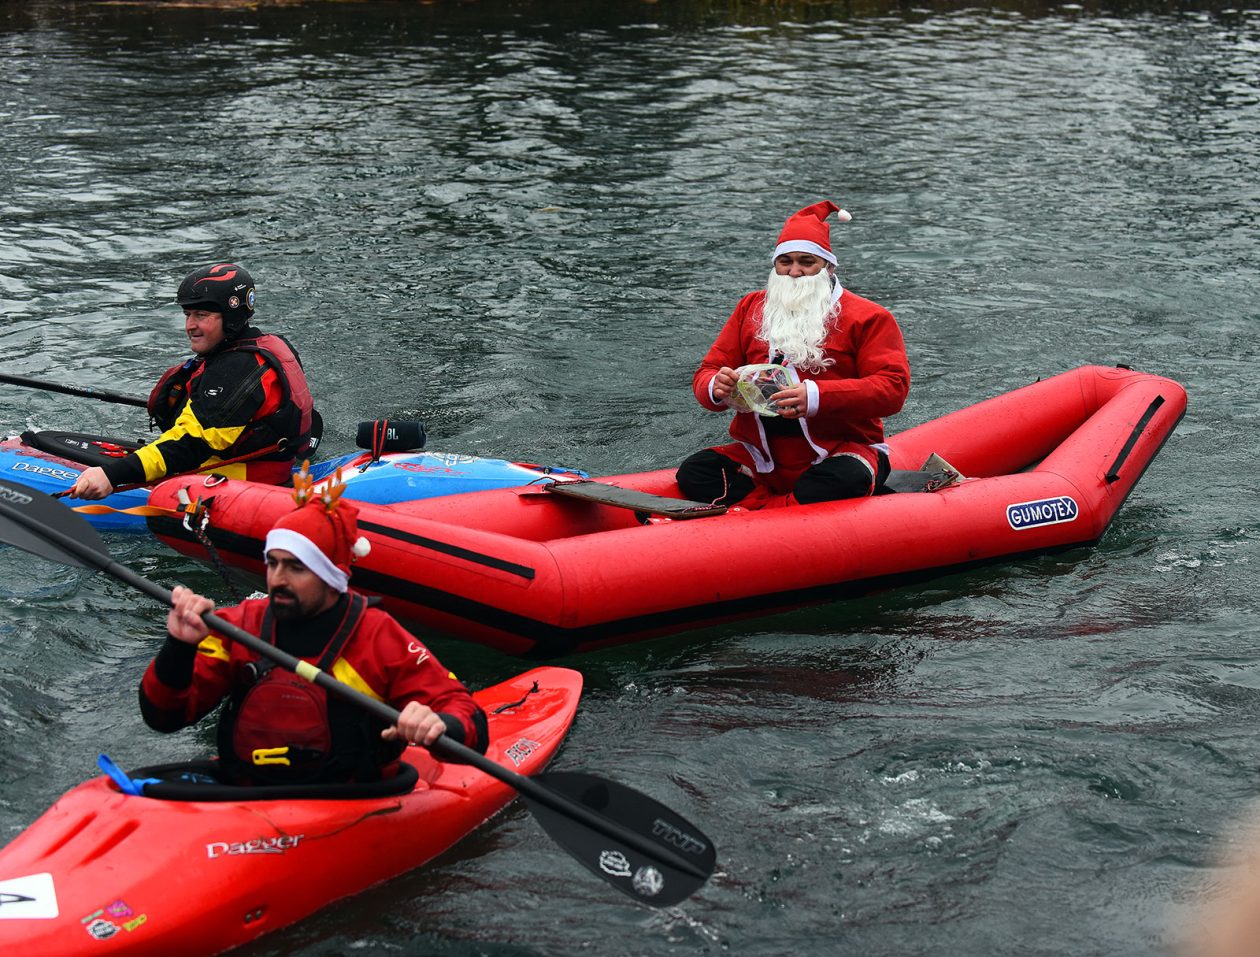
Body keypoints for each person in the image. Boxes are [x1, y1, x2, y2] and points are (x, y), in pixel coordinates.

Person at [138, 478, 488, 785]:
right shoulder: (239, 625)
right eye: (273, 563)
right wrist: (179, 647)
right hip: (247, 792)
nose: (277, 579)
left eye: (296, 568)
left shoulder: (378, 636)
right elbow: (164, 717)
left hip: (349, 798)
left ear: (330, 577)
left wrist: (438, 724)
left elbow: (464, 714)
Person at [676, 201, 910, 508]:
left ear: (828, 267)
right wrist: (715, 387)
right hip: (764, 456)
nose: (794, 272)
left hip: (839, 449)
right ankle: (782, 510)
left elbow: (893, 388)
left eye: (806, 262)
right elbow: (708, 370)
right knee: (694, 471)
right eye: (785, 262)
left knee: (843, 478)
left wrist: (815, 397)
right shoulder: (750, 307)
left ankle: (762, 512)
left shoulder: (869, 317)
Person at [67, 262, 316, 500]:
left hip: (245, 485)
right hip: (265, 467)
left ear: (231, 317)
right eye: (188, 314)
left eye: (201, 315)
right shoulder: (271, 344)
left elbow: (189, 446)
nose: (190, 325)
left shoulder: (238, 367)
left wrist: (111, 475)